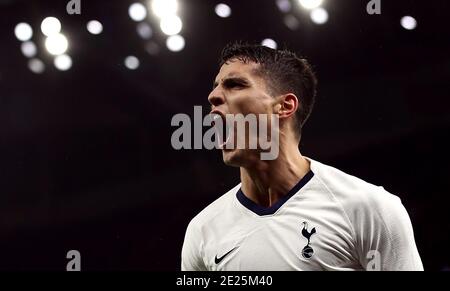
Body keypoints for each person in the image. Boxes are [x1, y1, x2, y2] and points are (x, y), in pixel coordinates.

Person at [181, 42, 423, 271]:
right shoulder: (202, 231)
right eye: (216, 86)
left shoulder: (368, 208)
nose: (213, 96)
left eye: (235, 84)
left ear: (285, 106)